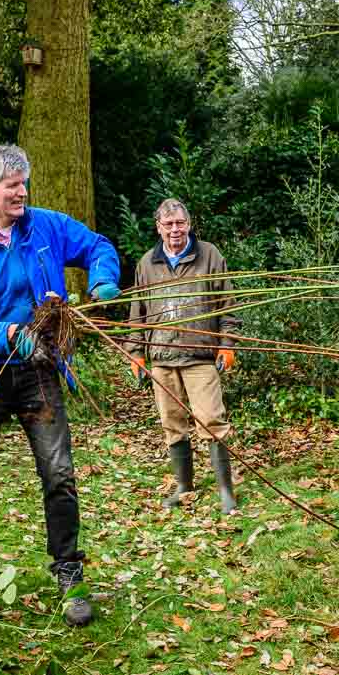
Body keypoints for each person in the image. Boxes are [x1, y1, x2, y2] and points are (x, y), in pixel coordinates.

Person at [0, 144, 121, 627]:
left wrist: (102, 279)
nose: (23, 191)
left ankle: (69, 574)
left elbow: (97, 246)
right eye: (13, 184)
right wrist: (10, 335)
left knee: (59, 474)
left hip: (39, 370)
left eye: (24, 182)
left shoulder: (46, 227)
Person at [124, 198, 240, 513]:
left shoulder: (209, 255)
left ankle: (225, 491)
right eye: (168, 224)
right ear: (159, 228)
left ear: (188, 225)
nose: (175, 230)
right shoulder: (147, 263)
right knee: (172, 424)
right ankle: (184, 486)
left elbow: (227, 304)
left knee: (211, 420)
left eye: (180, 223)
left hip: (200, 356)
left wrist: (227, 344)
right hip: (161, 357)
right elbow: (138, 313)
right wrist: (136, 353)